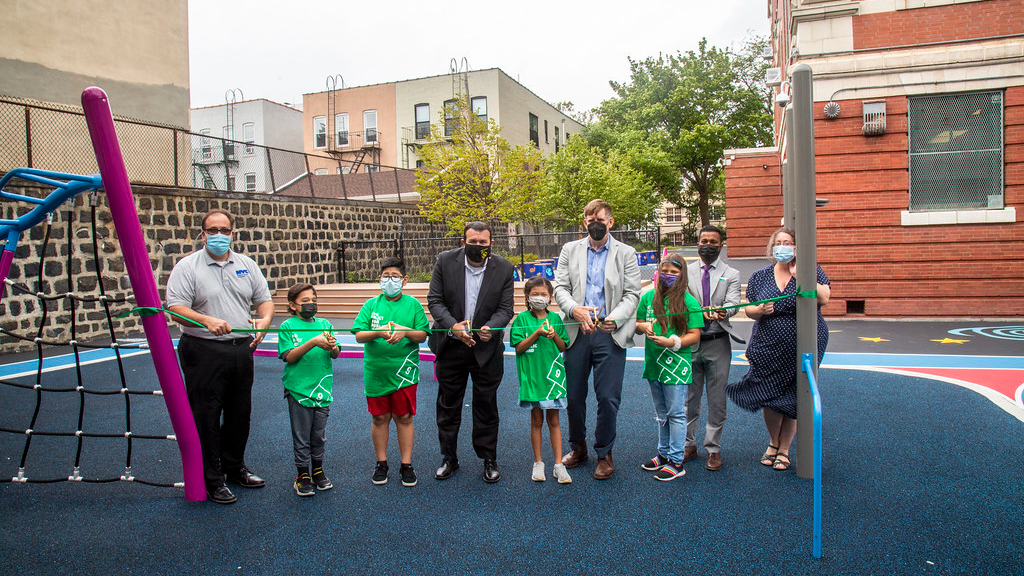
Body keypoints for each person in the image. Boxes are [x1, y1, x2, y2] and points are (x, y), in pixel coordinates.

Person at [165, 208, 274, 505]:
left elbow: (264, 302)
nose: (218, 236)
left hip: (240, 350)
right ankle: (211, 478)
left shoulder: (247, 265)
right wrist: (206, 320)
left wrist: (264, 321)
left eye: (224, 230)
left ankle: (234, 466)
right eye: (212, 230)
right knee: (207, 416)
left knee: (240, 414)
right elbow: (175, 306)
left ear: (232, 234)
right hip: (203, 350)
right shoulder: (187, 267)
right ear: (202, 234)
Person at [726, 227, 831, 471]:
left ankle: (784, 449)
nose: (782, 246)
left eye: (788, 242)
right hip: (768, 345)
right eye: (778, 242)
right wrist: (759, 310)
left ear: (796, 247)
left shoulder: (809, 269)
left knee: (794, 394)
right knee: (770, 395)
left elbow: (824, 297)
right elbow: (749, 309)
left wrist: (799, 276)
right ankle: (773, 442)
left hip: (804, 344)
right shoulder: (761, 276)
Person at [553, 198, 641, 480]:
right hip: (577, 333)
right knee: (574, 396)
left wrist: (616, 317)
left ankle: (604, 452)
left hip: (609, 333)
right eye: (590, 221)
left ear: (611, 222)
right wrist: (573, 309)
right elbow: (560, 288)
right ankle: (578, 447)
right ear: (584, 223)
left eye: (600, 220)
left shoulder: (626, 253)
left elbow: (632, 294)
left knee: (608, 397)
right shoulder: (569, 250)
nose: (595, 225)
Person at [427, 222, 514, 483]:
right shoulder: (444, 261)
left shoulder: (505, 268)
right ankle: (448, 457)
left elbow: (505, 308)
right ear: (463, 242)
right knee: (448, 405)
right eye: (472, 242)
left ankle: (489, 458)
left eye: (483, 243)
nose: (478, 247)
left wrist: (492, 327)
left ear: (491, 243)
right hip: (451, 346)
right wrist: (453, 326)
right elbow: (435, 301)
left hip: (485, 349)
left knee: (486, 406)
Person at [354, 257, 429, 487]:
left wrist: (406, 332)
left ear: (404, 280)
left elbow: (423, 335)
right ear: (379, 279)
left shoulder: (413, 305)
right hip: (376, 372)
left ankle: (406, 465)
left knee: (404, 417)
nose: (390, 280)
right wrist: (377, 332)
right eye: (386, 276)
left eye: (395, 277)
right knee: (379, 417)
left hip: (404, 373)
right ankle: (381, 463)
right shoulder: (370, 305)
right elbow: (359, 334)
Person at [635, 254, 703, 481]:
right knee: (661, 414)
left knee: (675, 414)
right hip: (654, 364)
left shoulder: (689, 302)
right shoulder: (648, 299)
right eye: (665, 271)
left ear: (682, 275)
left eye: (674, 272)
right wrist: (644, 327)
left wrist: (673, 342)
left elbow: (694, 335)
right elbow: (637, 325)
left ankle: (676, 460)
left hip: (676, 366)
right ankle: (663, 454)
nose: (669, 276)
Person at [684, 225, 742, 471]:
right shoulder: (685, 272)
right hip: (692, 342)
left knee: (717, 400)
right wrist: (697, 314)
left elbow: (733, 304)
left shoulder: (732, 273)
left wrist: (721, 312)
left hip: (718, 342)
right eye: (703, 241)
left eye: (712, 242)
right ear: (697, 243)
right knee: (689, 398)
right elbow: (680, 300)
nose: (707, 245)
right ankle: (688, 444)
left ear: (721, 245)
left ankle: (713, 448)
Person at [277, 282, 339, 497]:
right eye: (305, 301)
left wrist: (333, 346)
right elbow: (289, 356)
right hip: (299, 390)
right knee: (302, 435)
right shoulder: (287, 326)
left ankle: (318, 471)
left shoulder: (324, 323)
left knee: (318, 436)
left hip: (322, 389)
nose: (310, 304)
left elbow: (335, 353)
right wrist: (313, 342)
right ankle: (302, 474)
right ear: (293, 305)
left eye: (313, 300)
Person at [511, 277, 572, 484]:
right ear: (527, 296)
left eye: (543, 294)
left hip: (552, 380)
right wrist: (537, 333)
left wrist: (554, 335)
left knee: (554, 421)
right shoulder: (521, 320)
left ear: (550, 298)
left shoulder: (555, 318)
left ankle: (558, 464)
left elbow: (563, 346)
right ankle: (538, 462)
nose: (539, 298)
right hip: (533, 379)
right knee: (536, 421)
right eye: (535, 294)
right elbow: (518, 347)